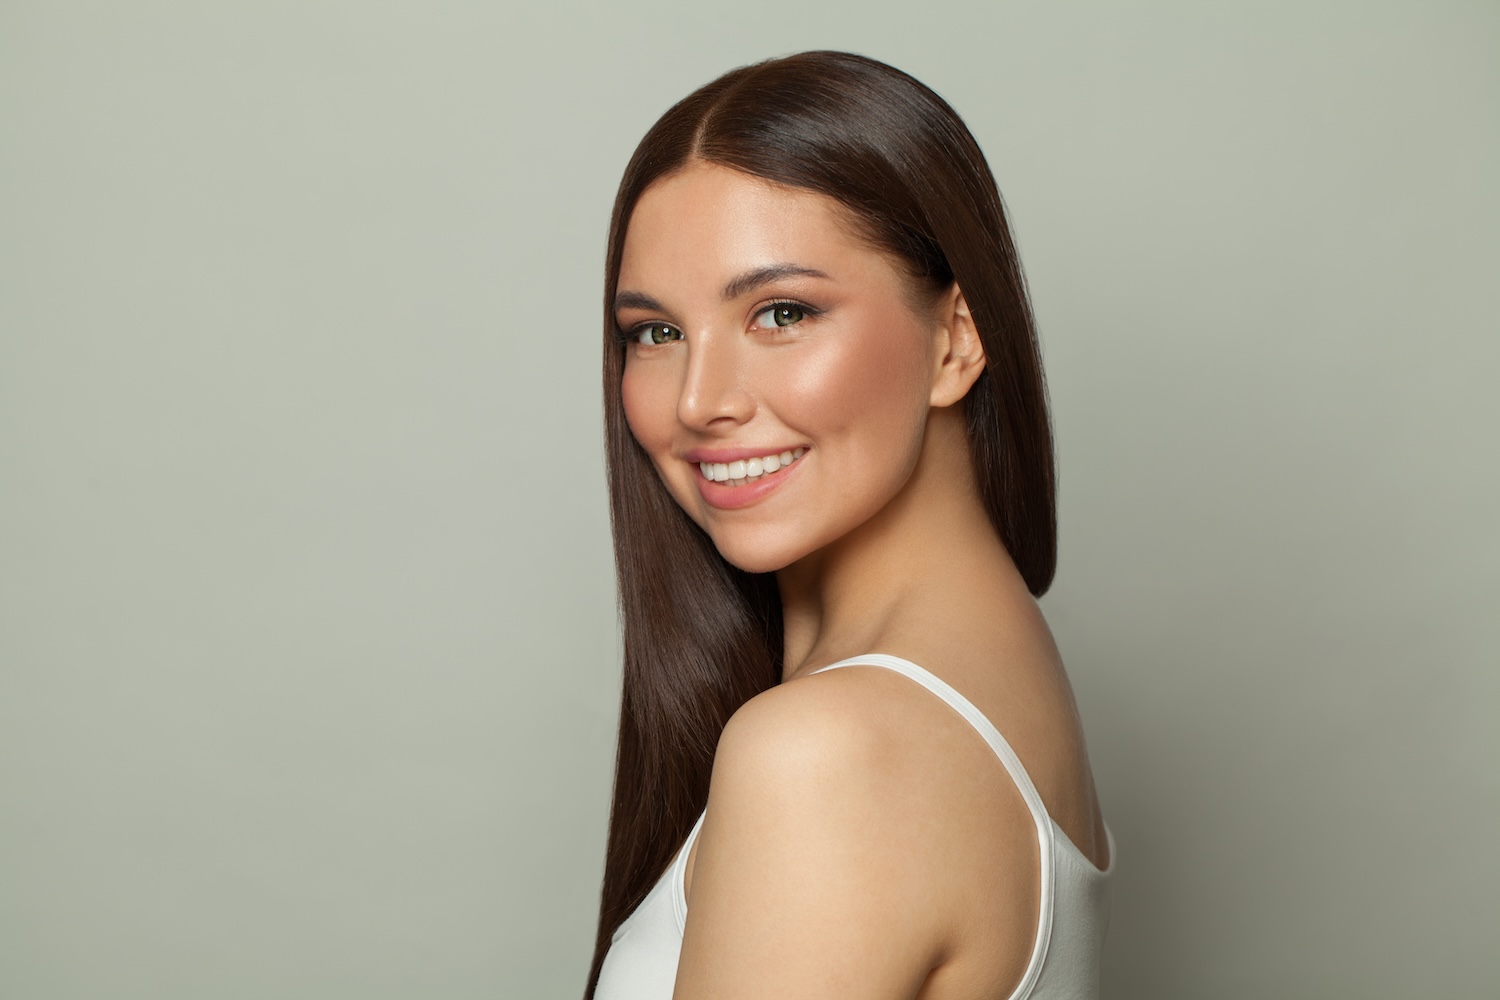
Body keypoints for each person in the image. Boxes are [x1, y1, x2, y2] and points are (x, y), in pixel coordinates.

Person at [587, 51, 1112, 1000]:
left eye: (781, 312)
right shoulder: (993, 666)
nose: (699, 401)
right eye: (654, 333)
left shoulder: (831, 753)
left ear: (956, 339)